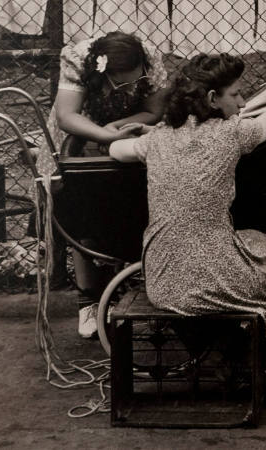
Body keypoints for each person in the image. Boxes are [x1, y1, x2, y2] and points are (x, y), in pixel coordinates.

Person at [109, 54, 266, 408]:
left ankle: (229, 354)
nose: (243, 102)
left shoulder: (158, 140)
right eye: (236, 94)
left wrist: (145, 137)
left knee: (236, 251)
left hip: (162, 282)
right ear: (213, 99)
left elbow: (115, 148)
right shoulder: (231, 133)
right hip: (212, 277)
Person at [36, 31, 168, 338]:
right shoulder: (78, 60)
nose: (135, 87)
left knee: (126, 205)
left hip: (126, 130)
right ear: (105, 75)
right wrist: (104, 135)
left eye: (139, 80)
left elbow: (154, 110)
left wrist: (118, 127)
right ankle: (88, 301)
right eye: (125, 84)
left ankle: (125, 284)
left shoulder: (148, 57)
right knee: (82, 210)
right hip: (80, 133)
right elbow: (67, 116)